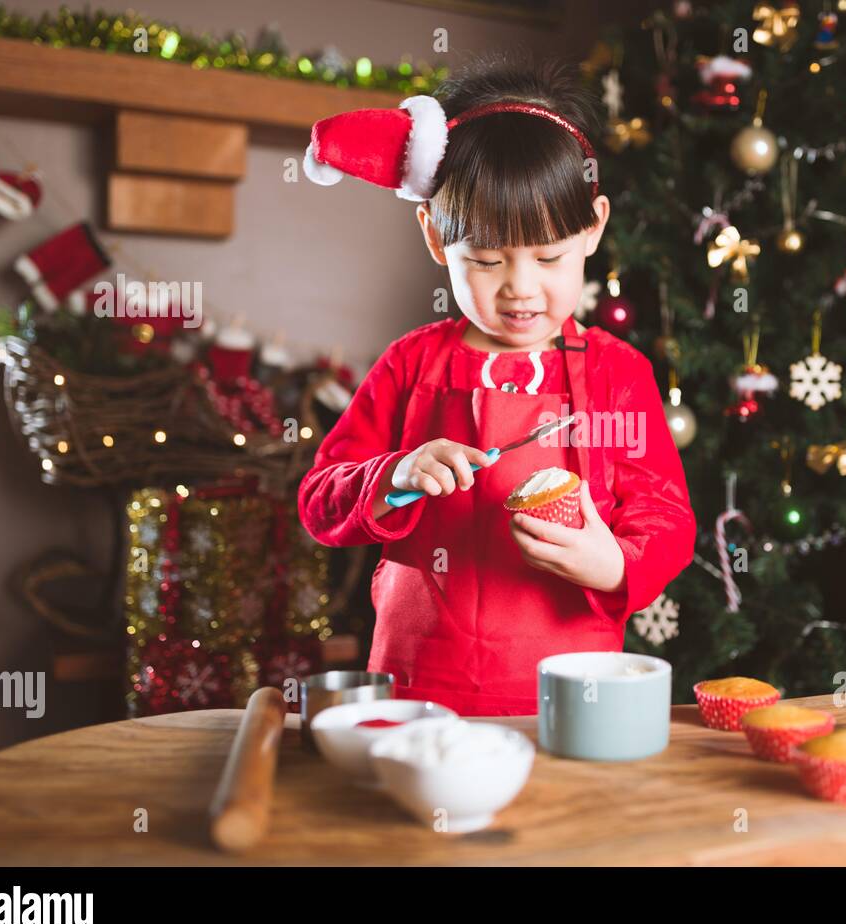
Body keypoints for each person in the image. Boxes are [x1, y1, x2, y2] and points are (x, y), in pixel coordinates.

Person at [297, 54, 697, 716]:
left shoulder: (618, 374)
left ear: (593, 227)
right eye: (484, 260)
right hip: (418, 692)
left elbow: (666, 517)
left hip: (572, 692)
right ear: (433, 237)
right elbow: (319, 500)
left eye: (548, 257)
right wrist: (393, 474)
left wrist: (615, 565)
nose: (520, 287)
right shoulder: (408, 364)